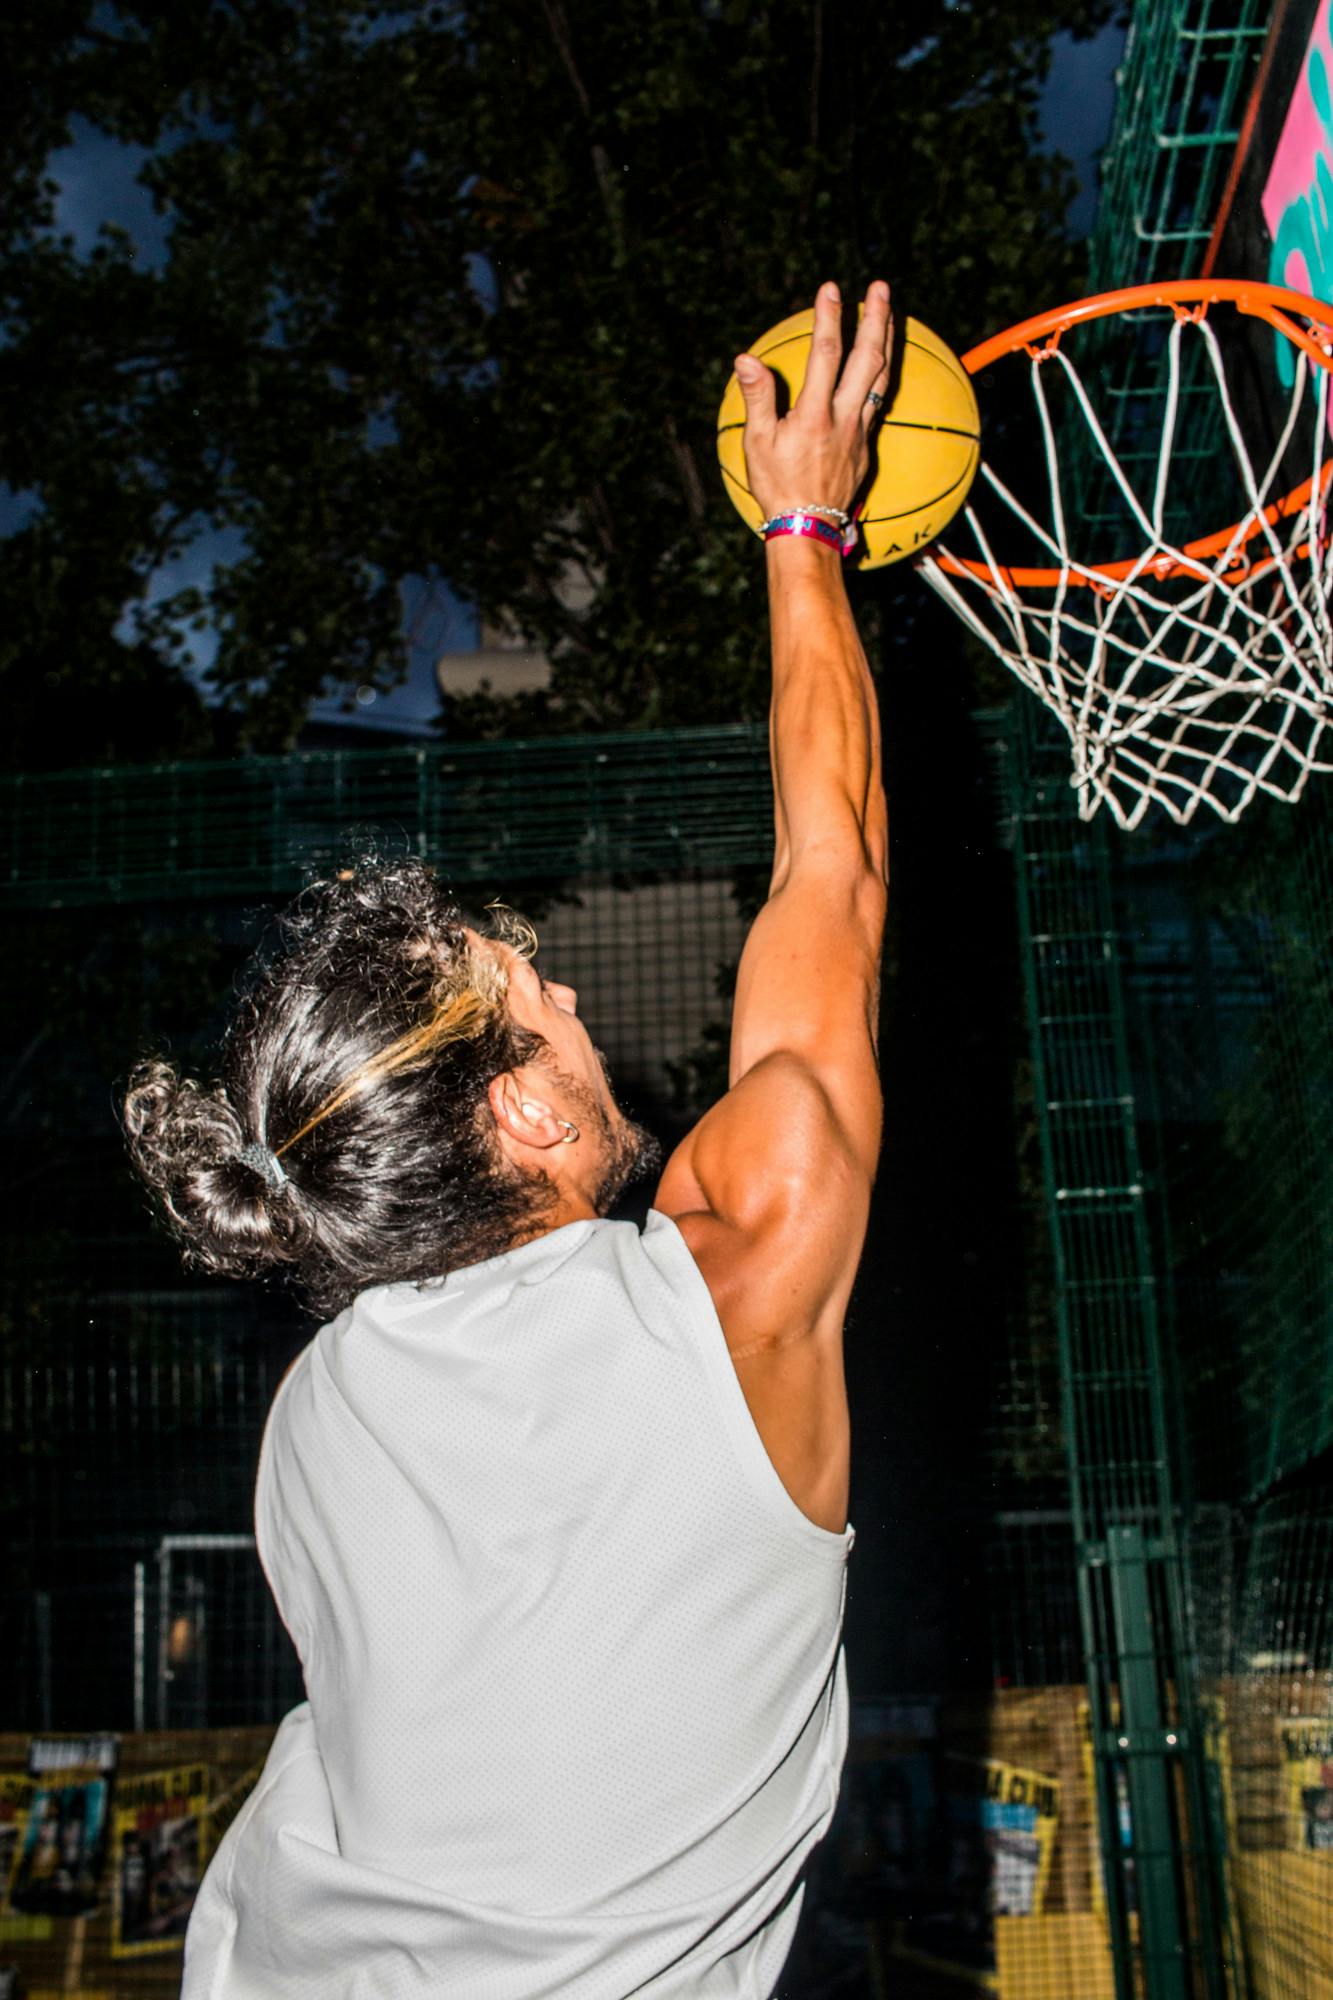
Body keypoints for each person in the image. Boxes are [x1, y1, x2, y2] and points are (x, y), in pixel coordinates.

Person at [123, 278, 891, 1999]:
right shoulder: (734, 1269)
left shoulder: (315, 1418)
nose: (559, 984)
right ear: (526, 1112)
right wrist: (800, 524)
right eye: (526, 989)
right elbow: (828, 868)